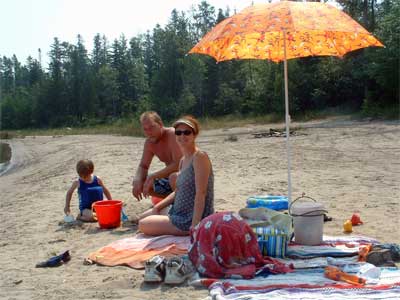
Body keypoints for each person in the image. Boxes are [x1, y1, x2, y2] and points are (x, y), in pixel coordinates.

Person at [138, 115, 214, 236]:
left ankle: (181, 228)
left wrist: (195, 226)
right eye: (178, 133)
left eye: (187, 132)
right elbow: (178, 191)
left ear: (194, 135)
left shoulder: (199, 157)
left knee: (143, 224)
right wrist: (157, 207)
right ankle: (165, 217)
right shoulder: (184, 160)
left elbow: (201, 193)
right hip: (178, 212)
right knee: (143, 217)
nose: (182, 136)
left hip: (187, 219)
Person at [132, 111, 182, 201]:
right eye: (145, 129)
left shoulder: (172, 134)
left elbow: (179, 164)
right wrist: (137, 180)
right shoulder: (149, 143)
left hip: (189, 176)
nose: (149, 132)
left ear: (160, 124)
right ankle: (173, 201)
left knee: (174, 177)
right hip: (171, 179)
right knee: (142, 182)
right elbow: (143, 165)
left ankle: (179, 204)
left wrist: (153, 176)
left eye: (152, 127)